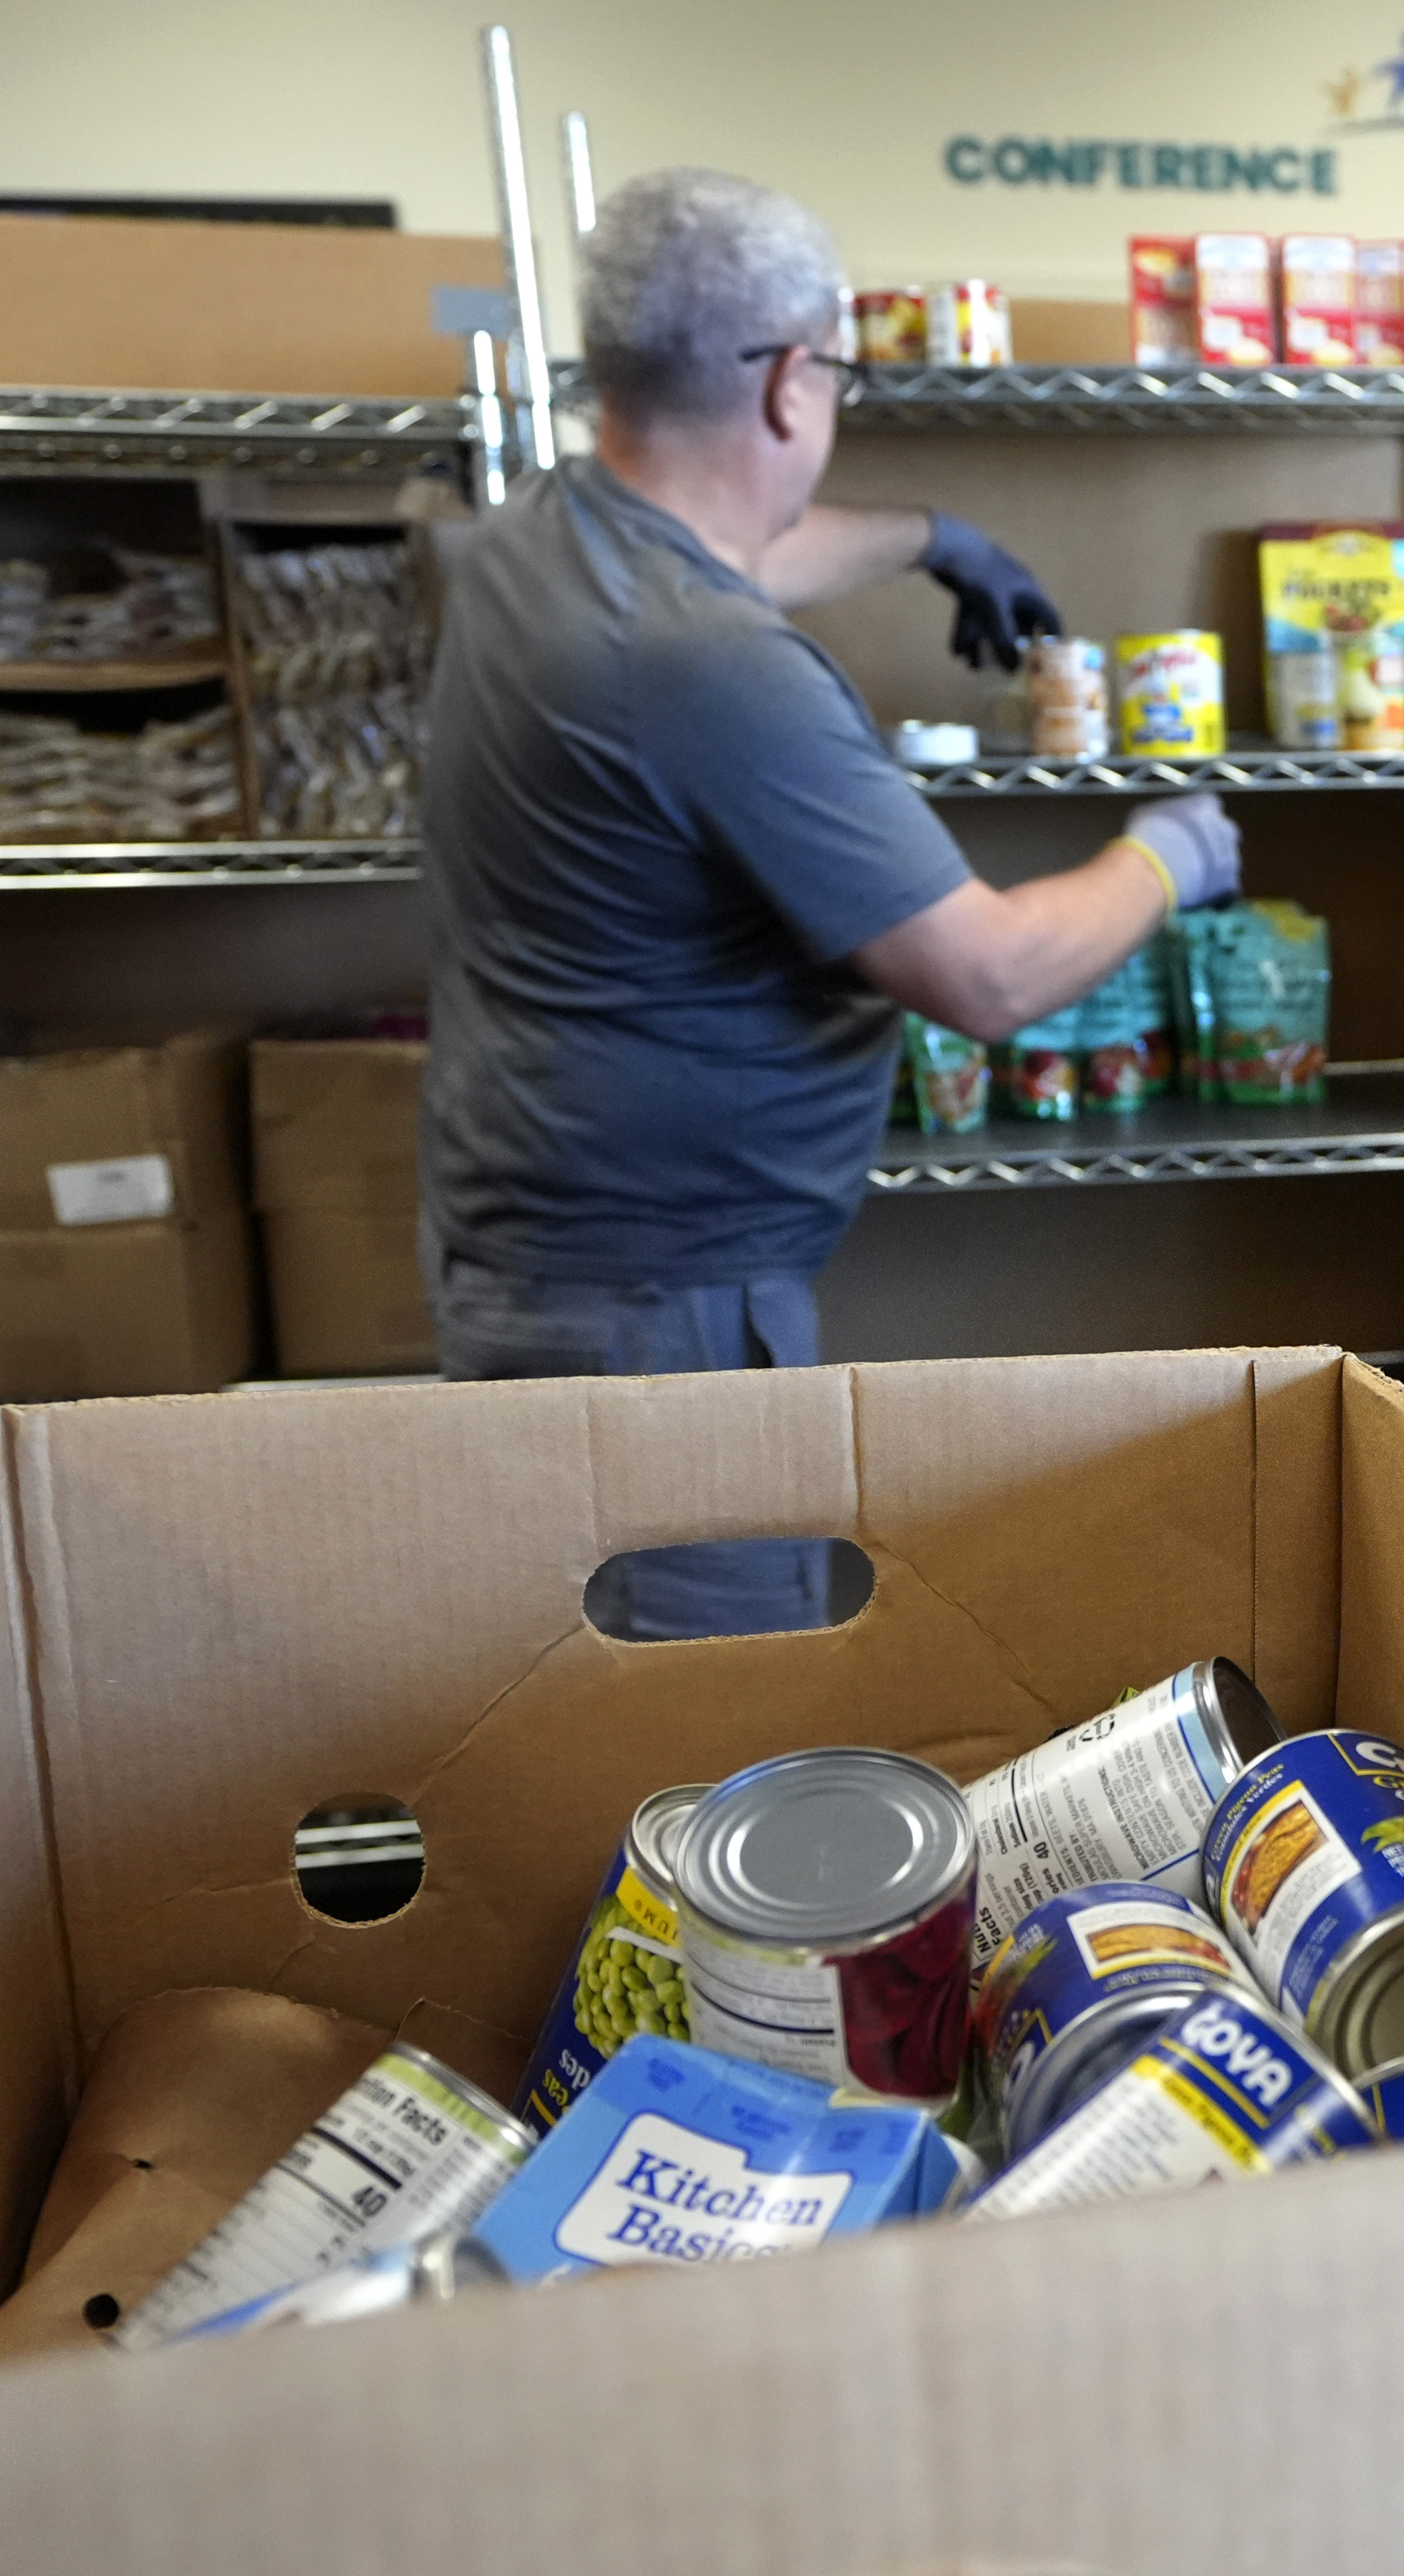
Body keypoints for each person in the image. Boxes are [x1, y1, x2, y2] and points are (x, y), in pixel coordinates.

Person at [419, 166, 1242, 1639]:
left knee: (593, 1714)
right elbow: (985, 977)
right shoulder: (709, 664)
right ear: (794, 383)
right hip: (654, 1322)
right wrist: (1170, 853)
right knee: (699, 1748)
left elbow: (734, 547)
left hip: (549, 1256)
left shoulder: (537, 540)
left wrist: (934, 534)